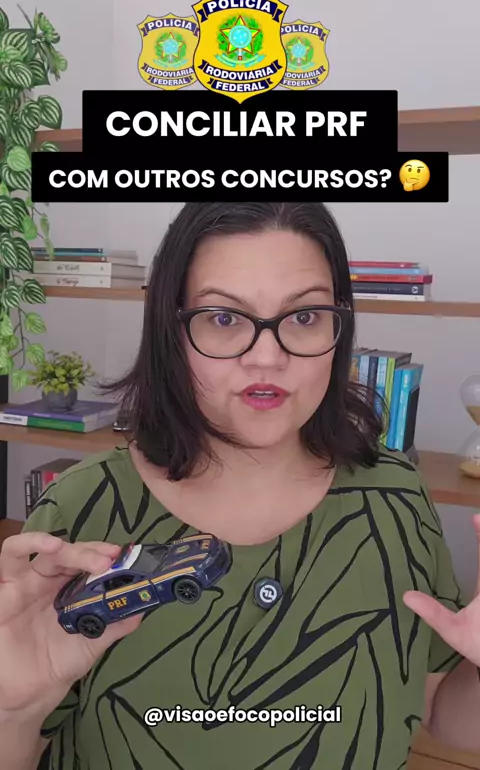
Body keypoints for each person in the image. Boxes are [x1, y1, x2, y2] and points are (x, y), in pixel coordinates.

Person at [1, 201, 479, 770]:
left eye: (304, 316)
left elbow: (441, 710)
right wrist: (13, 712)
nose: (267, 357)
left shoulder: (395, 494)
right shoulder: (82, 508)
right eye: (225, 319)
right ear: (173, 332)